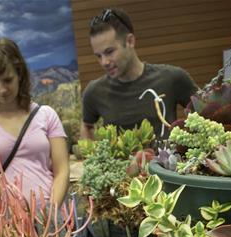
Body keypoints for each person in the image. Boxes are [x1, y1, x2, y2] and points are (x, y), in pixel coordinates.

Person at [0, 38, 69, 209]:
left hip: (50, 220)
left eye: (7, 80)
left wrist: (51, 214)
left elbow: (62, 170)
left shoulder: (46, 115)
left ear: (19, 74)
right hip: (6, 225)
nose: (2, 89)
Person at [81, 7, 198, 139]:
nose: (104, 62)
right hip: (119, 159)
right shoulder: (94, 92)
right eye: (98, 56)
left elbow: (205, 114)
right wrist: (94, 156)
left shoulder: (172, 78)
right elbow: (87, 126)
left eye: (109, 52)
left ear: (130, 41)